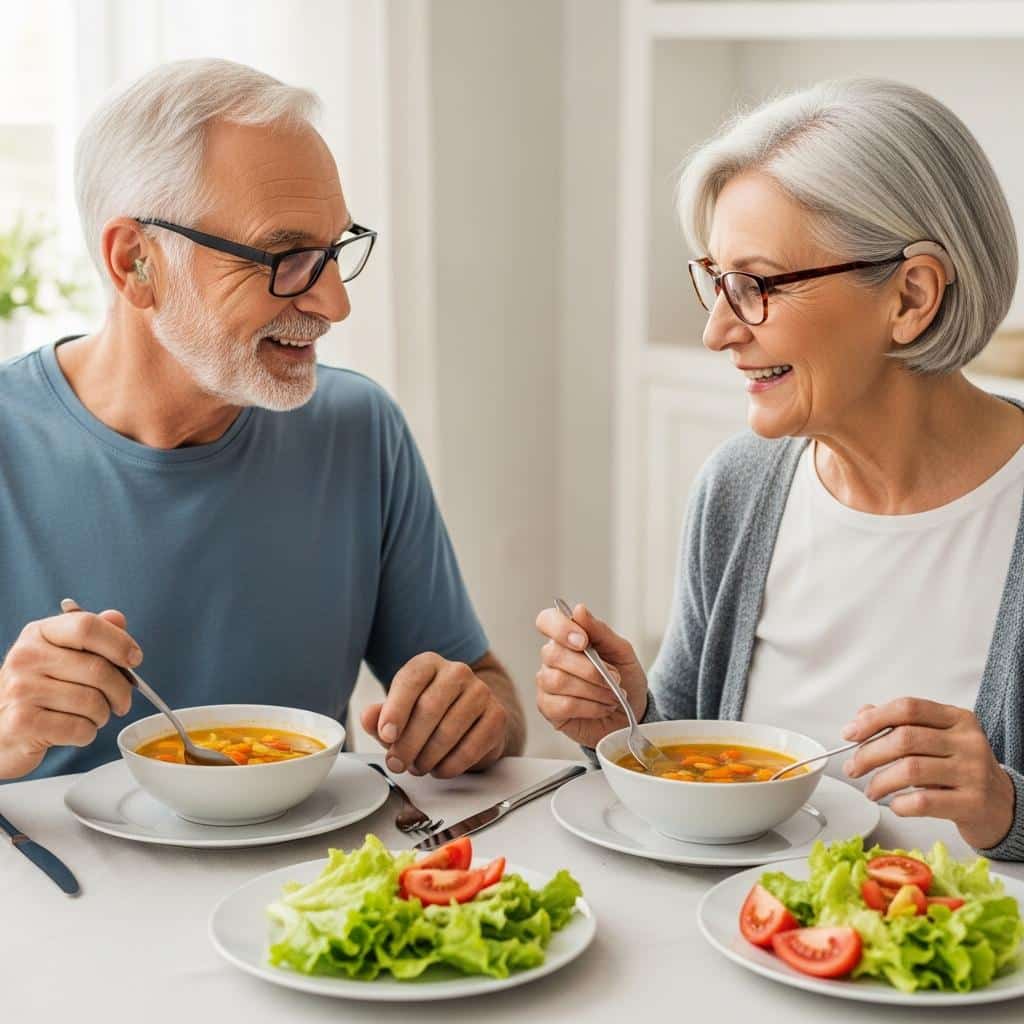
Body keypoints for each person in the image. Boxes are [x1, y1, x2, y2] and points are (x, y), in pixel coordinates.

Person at [536, 78, 1024, 860]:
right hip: (744, 960)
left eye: (757, 285)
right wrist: (624, 727)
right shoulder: (738, 488)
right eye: (718, 281)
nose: (717, 330)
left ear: (912, 296)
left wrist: (1006, 808)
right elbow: (696, 787)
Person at [0, 58, 524, 782]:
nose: (334, 304)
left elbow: (487, 693)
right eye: (285, 256)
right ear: (135, 263)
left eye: (334, 250)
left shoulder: (357, 427)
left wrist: (475, 719)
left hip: (299, 892)